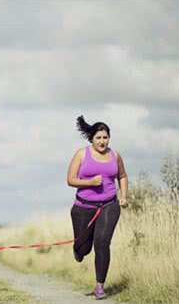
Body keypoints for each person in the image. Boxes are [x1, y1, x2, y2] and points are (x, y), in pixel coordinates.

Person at [66, 115, 129, 300]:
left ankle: (100, 286)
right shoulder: (81, 154)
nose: (102, 141)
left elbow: (123, 176)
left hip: (109, 205)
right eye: (99, 137)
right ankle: (78, 250)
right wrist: (90, 182)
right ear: (91, 139)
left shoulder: (114, 155)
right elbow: (70, 180)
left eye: (105, 137)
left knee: (102, 242)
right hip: (83, 207)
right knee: (84, 248)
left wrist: (124, 196)